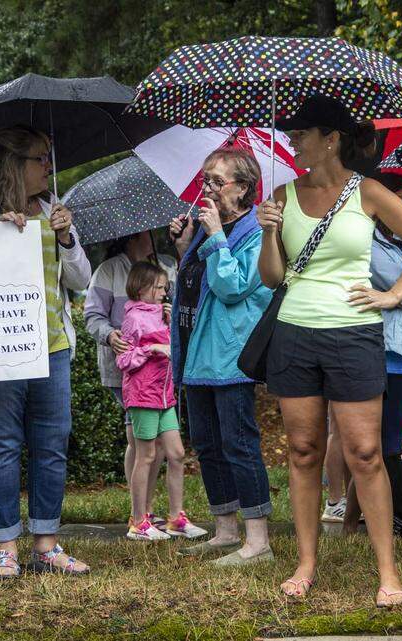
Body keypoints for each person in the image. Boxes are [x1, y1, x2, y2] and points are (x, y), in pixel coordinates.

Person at [256, 95, 402, 606]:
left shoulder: (369, 191)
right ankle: (306, 563)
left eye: (300, 135)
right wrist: (270, 231)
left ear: (330, 139)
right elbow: (272, 278)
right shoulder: (282, 195)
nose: (292, 143)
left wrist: (394, 294)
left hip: (354, 334)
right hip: (294, 333)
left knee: (364, 452)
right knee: (303, 451)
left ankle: (388, 572)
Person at [0, 125, 92, 578]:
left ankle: (46, 544)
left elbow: (81, 279)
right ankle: (5, 547)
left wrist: (66, 239)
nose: (49, 166)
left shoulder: (54, 209)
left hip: (52, 346)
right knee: (1, 444)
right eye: (41, 158)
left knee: (51, 445)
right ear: (15, 163)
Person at [168, 147, 275, 564]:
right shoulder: (204, 230)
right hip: (197, 355)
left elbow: (233, 288)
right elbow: (199, 287)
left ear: (244, 188)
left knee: (238, 444)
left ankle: (258, 540)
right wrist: (184, 248)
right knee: (209, 446)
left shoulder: (256, 233)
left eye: (216, 181)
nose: (206, 189)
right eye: (204, 180)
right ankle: (226, 530)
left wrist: (213, 237)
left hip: (231, 357)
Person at [342, 172, 402, 540]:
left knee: (384, 443)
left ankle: (353, 525)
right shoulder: (365, 243)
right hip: (382, 350)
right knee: (383, 444)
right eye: (397, 198)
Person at [85, 231, 177, 529]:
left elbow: (175, 308)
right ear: (129, 238)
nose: (151, 238)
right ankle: (141, 513)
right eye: (142, 236)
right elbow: (93, 316)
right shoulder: (109, 270)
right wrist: (110, 335)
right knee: (140, 442)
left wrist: (168, 312)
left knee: (157, 444)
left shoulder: (165, 266)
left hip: (161, 373)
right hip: (125, 370)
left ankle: (144, 511)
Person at [117, 262, 206, 542]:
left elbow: (176, 348)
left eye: (165, 287)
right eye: (158, 287)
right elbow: (123, 359)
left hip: (165, 395)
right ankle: (138, 521)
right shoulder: (133, 318)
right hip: (143, 395)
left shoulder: (163, 314)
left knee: (177, 453)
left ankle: (176, 518)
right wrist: (151, 348)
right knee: (146, 455)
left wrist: (171, 322)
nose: (163, 292)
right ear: (141, 288)